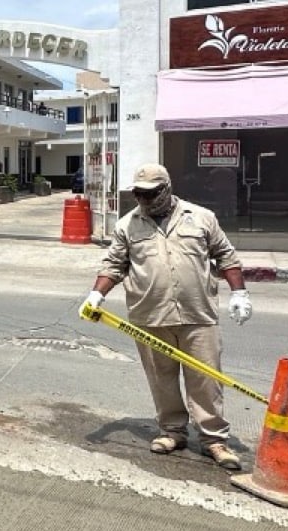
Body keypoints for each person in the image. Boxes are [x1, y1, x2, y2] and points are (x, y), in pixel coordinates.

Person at [82, 163, 251, 471]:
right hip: (150, 316)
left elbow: (226, 255)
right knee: (162, 379)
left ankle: (214, 439)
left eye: (151, 194)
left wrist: (239, 292)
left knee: (206, 379)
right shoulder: (126, 226)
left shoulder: (201, 217)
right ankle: (172, 432)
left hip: (198, 314)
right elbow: (113, 266)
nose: (144, 200)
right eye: (138, 194)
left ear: (167, 188)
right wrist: (97, 294)